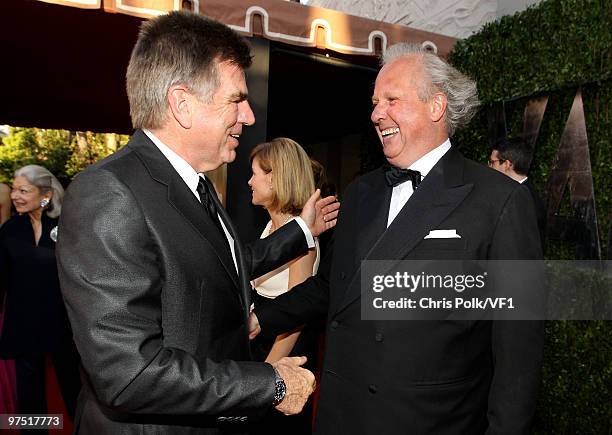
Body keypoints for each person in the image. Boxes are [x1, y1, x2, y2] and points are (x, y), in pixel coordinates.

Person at [56, 11, 338, 435]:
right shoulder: (110, 194)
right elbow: (129, 374)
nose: (246, 116)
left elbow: (221, 264)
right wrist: (268, 384)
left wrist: (300, 231)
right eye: (236, 100)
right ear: (182, 103)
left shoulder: (195, 185)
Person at [252, 43, 544, 434]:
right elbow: (333, 287)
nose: (376, 114)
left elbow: (518, 355)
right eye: (375, 102)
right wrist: (259, 318)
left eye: (392, 100)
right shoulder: (360, 193)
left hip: (428, 420)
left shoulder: (499, 201)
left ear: (436, 107)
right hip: (341, 413)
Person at [248, 138, 321, 434]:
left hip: (285, 355)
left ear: (275, 177)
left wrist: (266, 375)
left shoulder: (301, 238)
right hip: (259, 348)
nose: (250, 181)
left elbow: (296, 315)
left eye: (255, 173)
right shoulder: (270, 229)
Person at [0, 165, 80, 427]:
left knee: (73, 387)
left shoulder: (66, 227)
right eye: (14, 189)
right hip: (23, 323)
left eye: (24, 190)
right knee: (29, 396)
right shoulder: (10, 230)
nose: (14, 196)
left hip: (62, 323)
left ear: (45, 195)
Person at [489, 137, 546, 247]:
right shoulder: (523, 193)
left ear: (507, 164)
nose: (489, 167)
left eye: (492, 162)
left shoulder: (523, 199)